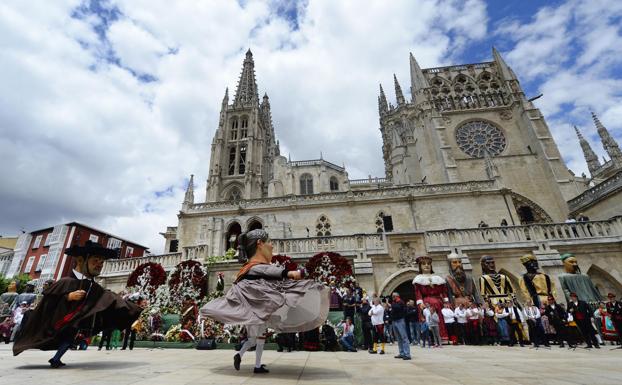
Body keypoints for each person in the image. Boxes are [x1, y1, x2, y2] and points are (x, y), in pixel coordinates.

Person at [200, 230, 329, 374]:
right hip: (256, 312)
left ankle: (247, 359)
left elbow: (269, 275)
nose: (272, 246)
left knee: (256, 340)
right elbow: (270, 271)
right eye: (269, 242)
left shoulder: (251, 269)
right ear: (259, 244)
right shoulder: (253, 267)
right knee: (256, 340)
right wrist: (290, 273)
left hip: (257, 312)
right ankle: (249, 361)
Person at [13, 240, 143, 368]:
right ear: (81, 260)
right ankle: (55, 358)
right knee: (67, 337)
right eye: (96, 260)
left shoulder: (93, 286)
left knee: (69, 338)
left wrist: (131, 307)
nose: (100, 264)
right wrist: (68, 297)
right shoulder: (65, 282)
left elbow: (108, 298)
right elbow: (48, 303)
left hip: (74, 321)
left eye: (102, 262)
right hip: (59, 320)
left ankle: (56, 359)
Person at [413, 256, 449, 341]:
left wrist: (446, 302)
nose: (426, 265)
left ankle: (443, 337)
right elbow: (418, 293)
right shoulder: (418, 279)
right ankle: (431, 339)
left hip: (439, 303)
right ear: (420, 266)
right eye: (424, 264)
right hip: (427, 303)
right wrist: (420, 303)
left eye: (428, 264)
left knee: (440, 319)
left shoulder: (437, 278)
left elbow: (443, 292)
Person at [390, 292, 411, 360]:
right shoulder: (394, 302)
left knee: (404, 337)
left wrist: (390, 305)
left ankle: (407, 354)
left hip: (400, 321)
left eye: (394, 296)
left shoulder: (400, 302)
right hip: (394, 321)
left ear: (397, 296)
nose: (392, 297)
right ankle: (402, 353)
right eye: (392, 296)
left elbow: (398, 308)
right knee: (399, 338)